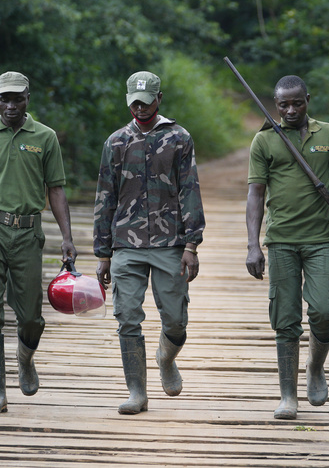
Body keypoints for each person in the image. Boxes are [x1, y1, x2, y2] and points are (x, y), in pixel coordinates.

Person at [245, 74, 329, 420]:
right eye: (283, 104)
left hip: (321, 239)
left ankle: (316, 366)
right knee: (285, 318)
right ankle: (288, 396)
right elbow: (255, 195)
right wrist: (252, 245)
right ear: (276, 105)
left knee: (323, 309)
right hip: (280, 241)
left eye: (297, 102)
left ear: (308, 99)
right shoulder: (264, 141)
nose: (290, 110)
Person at [0, 71, 77, 414]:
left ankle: (25, 358)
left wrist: (67, 238)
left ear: (28, 99)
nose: (10, 106)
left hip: (27, 233)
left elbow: (56, 189)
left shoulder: (45, 137)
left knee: (31, 318)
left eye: (17, 99)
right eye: (4, 99)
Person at [94, 70, 205, 415]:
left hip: (169, 242)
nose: (140, 108)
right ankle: (137, 393)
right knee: (127, 316)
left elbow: (190, 190)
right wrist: (102, 254)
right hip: (126, 243)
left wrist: (191, 245)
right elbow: (105, 196)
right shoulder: (115, 142)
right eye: (134, 103)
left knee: (175, 320)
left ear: (160, 99)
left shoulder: (179, 138)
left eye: (147, 101)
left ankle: (166, 358)